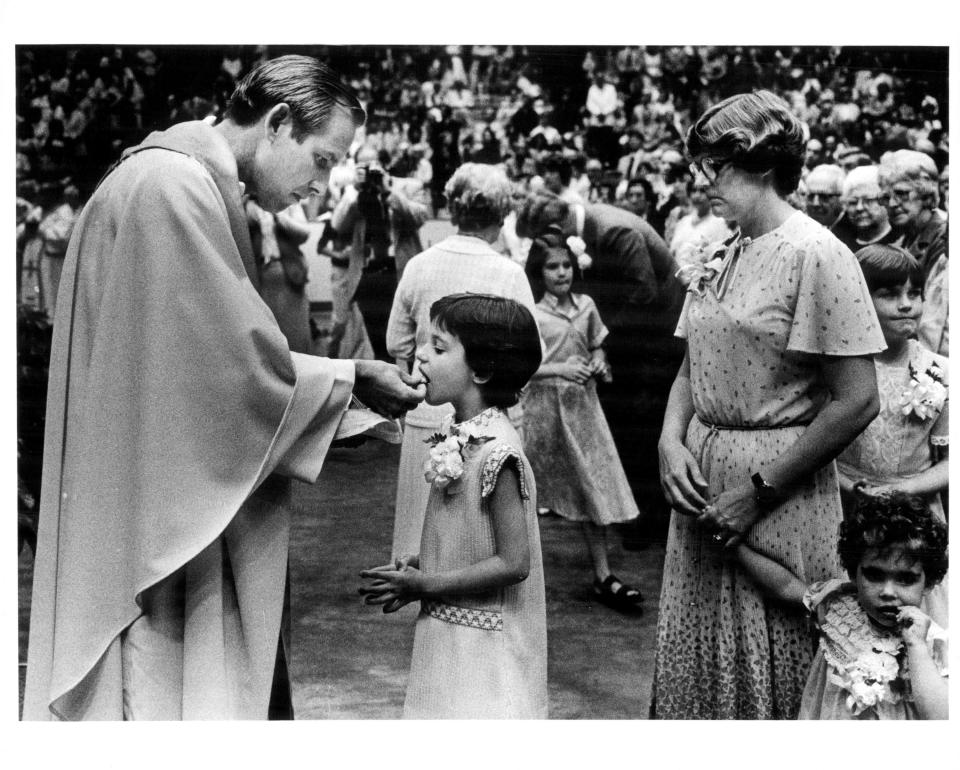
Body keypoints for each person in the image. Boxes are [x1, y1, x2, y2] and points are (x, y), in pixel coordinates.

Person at [24, 55, 425, 721]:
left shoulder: (165, 177)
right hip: (151, 505)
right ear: (276, 122)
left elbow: (202, 357)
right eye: (322, 160)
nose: (322, 186)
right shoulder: (175, 189)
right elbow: (224, 373)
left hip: (140, 481)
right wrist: (352, 377)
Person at [653, 90, 886, 719]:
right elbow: (691, 360)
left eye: (715, 166)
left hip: (778, 493)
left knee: (773, 653)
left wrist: (759, 490)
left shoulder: (819, 254)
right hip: (703, 483)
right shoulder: (722, 249)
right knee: (700, 650)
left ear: (761, 164)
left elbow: (858, 400)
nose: (702, 181)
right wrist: (670, 441)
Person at [360, 294, 547, 718]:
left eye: (439, 348)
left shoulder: (498, 452)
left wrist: (426, 585)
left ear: (481, 370)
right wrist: (426, 560)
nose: (420, 354)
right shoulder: (457, 432)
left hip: (482, 642)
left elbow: (514, 562)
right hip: (449, 625)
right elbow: (472, 537)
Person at [386, 163, 537, 563]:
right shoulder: (509, 273)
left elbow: (395, 342)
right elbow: (528, 352)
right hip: (494, 417)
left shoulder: (420, 265)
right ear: (502, 214)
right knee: (482, 542)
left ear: (452, 208)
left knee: (421, 542)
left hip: (425, 411)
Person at [734, 493, 948, 720]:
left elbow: (942, 718)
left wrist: (917, 648)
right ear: (853, 573)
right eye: (874, 575)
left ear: (929, 583)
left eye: (905, 579)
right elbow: (785, 586)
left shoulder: (930, 640)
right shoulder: (836, 607)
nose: (887, 592)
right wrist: (736, 549)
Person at [521, 228, 643, 611]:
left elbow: (596, 344)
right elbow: (522, 368)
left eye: (566, 265)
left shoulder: (587, 305)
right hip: (542, 411)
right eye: (552, 267)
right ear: (538, 274)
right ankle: (518, 575)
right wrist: (558, 368)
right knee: (531, 489)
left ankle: (603, 575)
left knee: (593, 485)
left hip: (582, 409)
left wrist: (600, 359)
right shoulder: (532, 313)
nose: (561, 273)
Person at [836, 244, 948, 625]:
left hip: (916, 514)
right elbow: (817, 451)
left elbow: (951, 461)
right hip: (849, 505)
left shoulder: (940, 372)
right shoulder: (839, 371)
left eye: (913, 294)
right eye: (889, 294)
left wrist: (904, 490)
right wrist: (852, 488)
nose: (906, 305)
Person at [878, 150, 949, 356]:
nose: (892, 204)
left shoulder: (945, 239)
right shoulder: (902, 241)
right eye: (885, 197)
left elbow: (934, 327)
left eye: (901, 193)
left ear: (926, 193)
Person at [834, 165, 898, 253]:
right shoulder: (840, 244)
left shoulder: (900, 242)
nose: (859, 208)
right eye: (853, 202)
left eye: (868, 200)